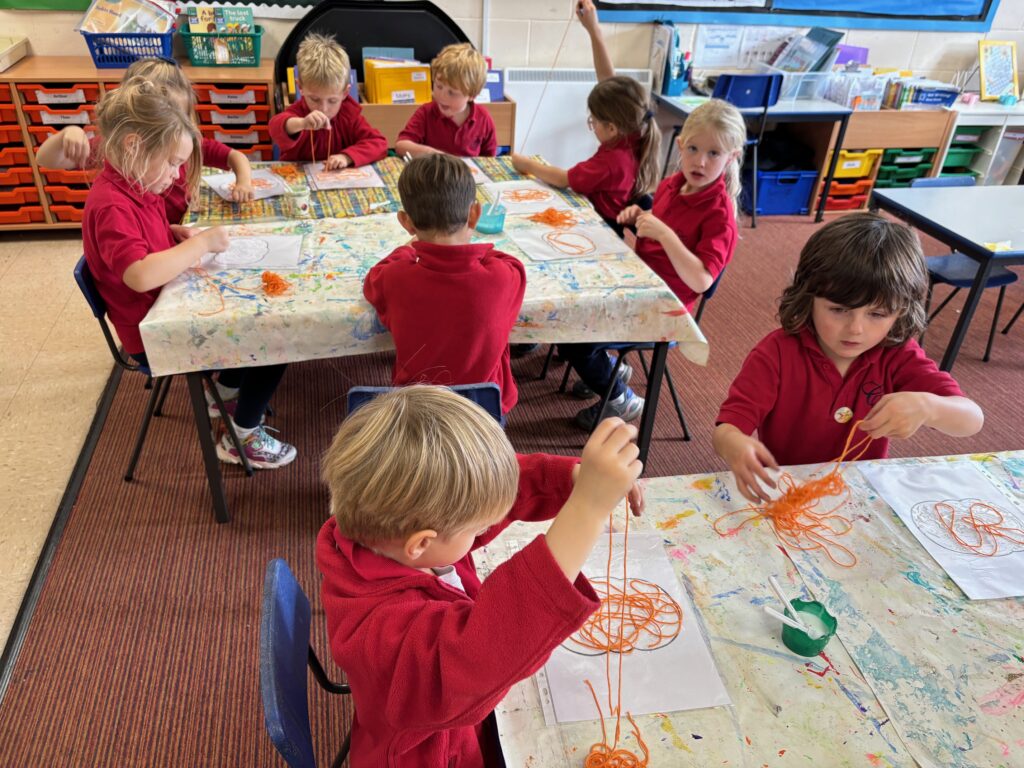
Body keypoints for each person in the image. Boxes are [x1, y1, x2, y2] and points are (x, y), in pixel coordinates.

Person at [316, 385, 644, 767]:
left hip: (446, 725)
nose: (484, 530)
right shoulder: (383, 635)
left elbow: (473, 492)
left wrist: (571, 479)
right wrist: (587, 508)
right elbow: (486, 648)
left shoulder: (383, 524)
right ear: (421, 543)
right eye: (476, 529)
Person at [83, 78, 296, 469]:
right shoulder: (112, 204)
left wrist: (172, 234)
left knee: (254, 310)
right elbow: (140, 275)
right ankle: (241, 438)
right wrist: (197, 245)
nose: (177, 174)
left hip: (164, 307)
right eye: (171, 163)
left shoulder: (136, 186)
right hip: (152, 333)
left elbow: (144, 243)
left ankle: (227, 388)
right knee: (276, 336)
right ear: (133, 146)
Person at [713, 213, 984, 503]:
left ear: (901, 311)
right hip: (786, 492)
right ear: (809, 297)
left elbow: (972, 419)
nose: (856, 329)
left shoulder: (897, 354)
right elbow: (727, 428)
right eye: (839, 310)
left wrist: (929, 407)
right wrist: (736, 446)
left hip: (861, 495)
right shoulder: (776, 353)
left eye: (877, 315)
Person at [363, 154, 526, 416]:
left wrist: (406, 251)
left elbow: (373, 278)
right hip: (483, 413)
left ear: (406, 222)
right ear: (474, 215)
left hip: (417, 413)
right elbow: (508, 261)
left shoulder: (394, 278)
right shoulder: (503, 276)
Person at [36, 57, 255, 225]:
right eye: (166, 117)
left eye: (180, 116)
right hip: (151, 245)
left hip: (177, 230)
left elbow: (234, 156)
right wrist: (68, 134)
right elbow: (45, 159)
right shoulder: (114, 148)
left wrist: (243, 182)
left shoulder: (188, 144)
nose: (174, 126)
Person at [269, 32, 387, 168]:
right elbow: (275, 127)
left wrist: (347, 156)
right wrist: (302, 123)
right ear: (300, 87)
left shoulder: (349, 116)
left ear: (345, 93)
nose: (323, 109)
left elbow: (379, 143)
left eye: (332, 101)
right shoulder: (298, 113)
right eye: (314, 99)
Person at [395, 43, 497, 158]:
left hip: (467, 175)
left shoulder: (483, 118)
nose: (441, 96)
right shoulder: (425, 112)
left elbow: (489, 159)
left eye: (452, 92)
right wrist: (431, 153)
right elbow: (401, 146)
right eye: (439, 86)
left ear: (471, 95)